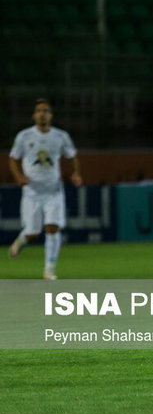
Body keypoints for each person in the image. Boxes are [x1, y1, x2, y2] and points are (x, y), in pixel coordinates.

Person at [8, 98, 83, 279]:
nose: (43, 113)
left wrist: (76, 173)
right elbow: (13, 158)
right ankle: (20, 242)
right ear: (34, 116)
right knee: (33, 232)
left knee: (52, 227)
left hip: (53, 191)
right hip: (32, 192)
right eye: (39, 111)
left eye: (46, 111)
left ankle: (49, 269)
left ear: (51, 115)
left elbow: (73, 155)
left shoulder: (60, 136)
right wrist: (18, 176)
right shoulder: (24, 136)